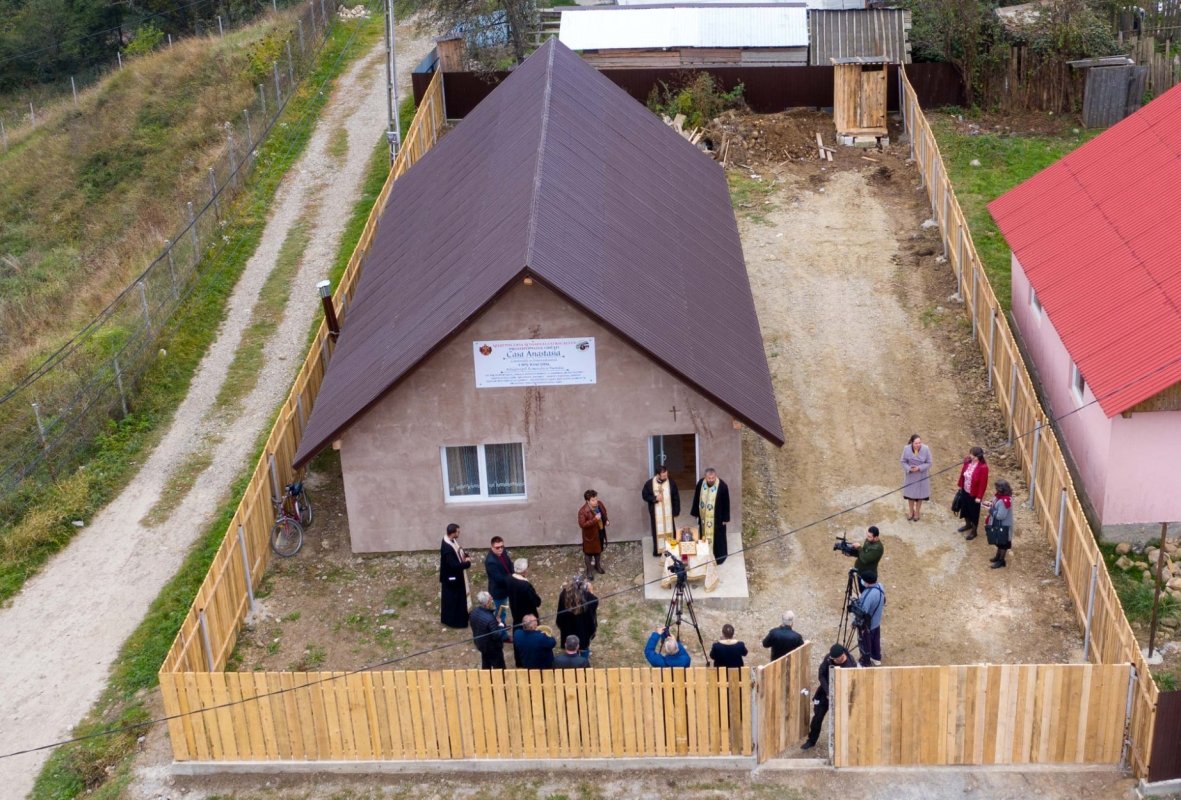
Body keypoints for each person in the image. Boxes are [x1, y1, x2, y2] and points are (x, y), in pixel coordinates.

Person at [801, 644, 858, 750]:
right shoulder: (829, 658)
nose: (833, 661)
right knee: (817, 717)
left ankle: (842, 744)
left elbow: (851, 684)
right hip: (825, 693)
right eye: (832, 659)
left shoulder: (850, 665)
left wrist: (839, 695)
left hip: (842, 696)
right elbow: (821, 674)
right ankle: (811, 740)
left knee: (842, 720)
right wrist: (828, 691)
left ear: (842, 656)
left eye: (836, 659)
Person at [691, 468, 731, 565]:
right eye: (709, 478)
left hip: (717, 519)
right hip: (704, 518)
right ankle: (705, 556)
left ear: (715, 476)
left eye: (713, 478)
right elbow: (696, 498)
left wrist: (725, 518)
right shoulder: (701, 483)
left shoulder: (722, 486)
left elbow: (726, 503)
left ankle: (719, 557)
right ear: (705, 477)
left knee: (718, 538)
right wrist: (696, 513)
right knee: (704, 535)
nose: (711, 480)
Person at [642, 466, 681, 557]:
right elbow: (644, 495)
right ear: (658, 475)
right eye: (663, 475)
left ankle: (671, 549)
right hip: (656, 514)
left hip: (668, 513)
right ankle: (658, 551)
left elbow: (676, 497)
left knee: (670, 530)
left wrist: (676, 511)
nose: (665, 476)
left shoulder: (671, 483)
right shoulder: (649, 484)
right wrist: (655, 498)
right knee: (657, 531)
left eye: (666, 474)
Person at [555, 575, 598, 657]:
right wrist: (591, 591)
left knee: (570, 643)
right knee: (583, 646)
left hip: (568, 627)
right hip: (583, 628)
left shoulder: (564, 594)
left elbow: (560, 612)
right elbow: (595, 602)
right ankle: (583, 661)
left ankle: (570, 655)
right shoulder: (587, 596)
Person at [439, 523, 471, 628]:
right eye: (458, 531)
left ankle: (461, 616)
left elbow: (459, 551)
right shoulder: (447, 548)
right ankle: (456, 621)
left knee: (456, 599)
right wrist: (467, 563)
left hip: (454, 577)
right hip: (452, 579)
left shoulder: (451, 541)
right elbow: (454, 565)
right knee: (454, 600)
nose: (459, 533)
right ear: (453, 533)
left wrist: (465, 555)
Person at [955, 447, 990, 540]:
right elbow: (963, 474)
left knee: (974, 513)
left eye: (973, 455)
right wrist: (960, 485)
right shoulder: (968, 462)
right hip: (965, 490)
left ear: (978, 457)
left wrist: (979, 496)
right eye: (970, 454)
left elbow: (983, 484)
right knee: (965, 509)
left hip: (974, 494)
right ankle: (968, 525)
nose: (971, 456)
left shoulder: (983, 468)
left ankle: (974, 531)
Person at [855, 571, 885, 667]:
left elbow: (862, 612)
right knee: (875, 640)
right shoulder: (880, 586)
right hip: (877, 621)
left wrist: (855, 621)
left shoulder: (868, 595)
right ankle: (876, 658)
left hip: (867, 625)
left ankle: (865, 662)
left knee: (865, 643)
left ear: (867, 582)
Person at [469, 591, 506, 669]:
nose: (492, 599)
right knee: (499, 666)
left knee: (486, 663)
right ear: (487, 604)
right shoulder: (490, 618)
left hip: (480, 643)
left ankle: (486, 678)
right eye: (490, 599)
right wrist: (501, 625)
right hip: (492, 648)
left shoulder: (474, 612)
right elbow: (497, 635)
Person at [900, 434, 932, 522]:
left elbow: (929, 462)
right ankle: (911, 512)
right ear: (912, 442)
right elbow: (903, 461)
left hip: (921, 476)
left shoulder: (926, 449)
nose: (918, 445)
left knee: (919, 496)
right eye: (916, 443)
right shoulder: (906, 448)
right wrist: (909, 468)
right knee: (910, 496)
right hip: (911, 476)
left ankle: (917, 512)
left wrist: (919, 468)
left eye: (919, 443)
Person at [984, 479, 1015, 569]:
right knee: (999, 542)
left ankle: (1001, 561)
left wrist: (991, 510)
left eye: (997, 487)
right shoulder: (999, 497)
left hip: (1003, 526)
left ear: (1002, 489)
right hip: (999, 524)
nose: (996, 489)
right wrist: (990, 504)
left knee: (1003, 544)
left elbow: (1000, 516)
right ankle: (998, 557)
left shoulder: (1004, 500)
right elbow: (995, 504)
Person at [484, 536, 514, 626]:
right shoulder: (490, 561)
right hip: (498, 592)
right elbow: (499, 579)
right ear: (492, 547)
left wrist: (513, 573)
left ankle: (503, 626)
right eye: (497, 547)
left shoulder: (503, 552)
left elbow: (510, 563)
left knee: (503, 611)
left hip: (506, 587)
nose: (500, 549)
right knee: (499, 614)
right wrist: (512, 579)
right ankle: (501, 632)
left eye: (502, 546)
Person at [578, 490, 609, 575]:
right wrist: (594, 520)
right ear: (588, 501)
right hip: (590, 536)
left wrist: (606, 520)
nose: (596, 501)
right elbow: (582, 524)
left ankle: (597, 566)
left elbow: (604, 512)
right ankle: (589, 571)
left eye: (596, 499)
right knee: (588, 553)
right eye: (593, 500)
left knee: (598, 550)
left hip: (600, 531)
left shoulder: (599, 504)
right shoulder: (583, 511)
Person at [507, 558, 541, 629]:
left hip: (515, 610)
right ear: (524, 571)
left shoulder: (510, 578)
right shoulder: (525, 585)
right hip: (527, 615)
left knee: (518, 626)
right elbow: (536, 602)